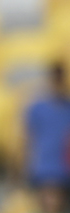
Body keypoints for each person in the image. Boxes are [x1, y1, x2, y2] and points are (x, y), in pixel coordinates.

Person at [22, 60, 70, 195]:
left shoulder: (68, 108)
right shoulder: (37, 108)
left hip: (65, 173)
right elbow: (27, 140)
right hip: (42, 172)